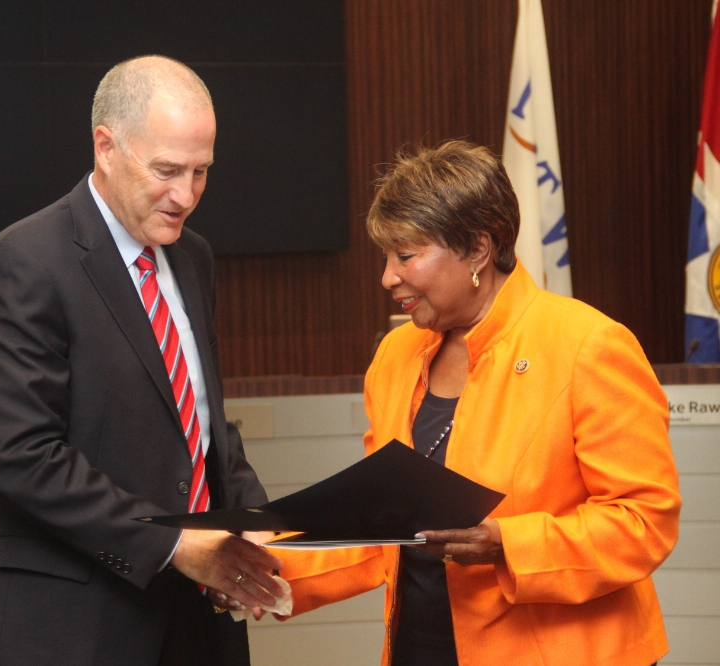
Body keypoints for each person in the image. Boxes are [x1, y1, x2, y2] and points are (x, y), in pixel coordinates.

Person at [268, 140, 681, 665]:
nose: (387, 277)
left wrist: (505, 544)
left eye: (407, 255)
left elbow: (644, 521)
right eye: (386, 257)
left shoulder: (587, 345)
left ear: (479, 250)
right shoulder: (395, 355)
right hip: (420, 648)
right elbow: (379, 526)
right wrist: (264, 570)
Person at [0, 55, 283, 666]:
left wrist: (255, 518)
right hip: (71, 626)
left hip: (193, 620)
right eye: (166, 170)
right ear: (105, 147)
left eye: (202, 171)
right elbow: (23, 457)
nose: (185, 195)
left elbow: (202, 423)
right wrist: (175, 545)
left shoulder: (194, 258)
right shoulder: (24, 262)